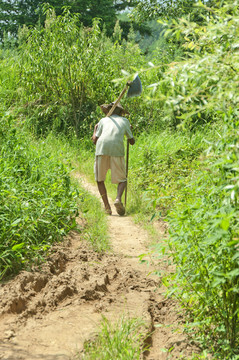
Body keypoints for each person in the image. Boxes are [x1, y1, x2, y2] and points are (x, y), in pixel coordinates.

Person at [91, 102, 135, 216]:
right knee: (123, 179)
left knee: (99, 179)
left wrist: (95, 129)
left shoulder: (102, 121)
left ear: (109, 111)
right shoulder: (125, 121)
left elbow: (95, 140)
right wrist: (129, 130)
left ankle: (107, 207)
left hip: (101, 149)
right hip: (117, 150)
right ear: (121, 112)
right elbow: (132, 141)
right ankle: (118, 199)